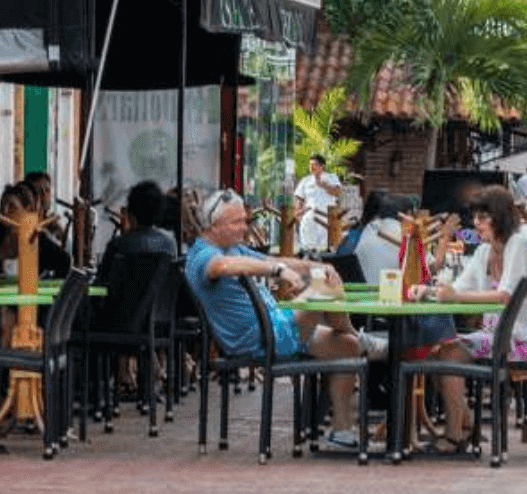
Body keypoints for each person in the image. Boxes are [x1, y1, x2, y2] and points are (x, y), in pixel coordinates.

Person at [185, 190, 365, 450]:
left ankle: (341, 432)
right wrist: (279, 272)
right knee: (326, 292)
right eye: (237, 222)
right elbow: (222, 267)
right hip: (259, 339)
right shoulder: (203, 255)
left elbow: (273, 259)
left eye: (245, 221)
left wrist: (317, 267)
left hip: (278, 329)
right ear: (213, 225)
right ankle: (364, 338)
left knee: (347, 346)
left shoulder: (232, 248)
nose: (244, 228)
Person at [408, 186, 527, 451]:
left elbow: (504, 296)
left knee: (449, 354)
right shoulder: (483, 252)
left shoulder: (519, 244)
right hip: (501, 337)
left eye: (483, 217)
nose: (476, 223)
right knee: (433, 354)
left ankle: (457, 434)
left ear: (500, 217)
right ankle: (464, 424)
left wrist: (453, 298)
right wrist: (428, 290)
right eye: (476, 217)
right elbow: (460, 288)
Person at [0, 182, 72, 280]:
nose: (4, 211)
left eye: (11, 207)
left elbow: (65, 262)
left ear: (28, 210)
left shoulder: (38, 240)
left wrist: (47, 287)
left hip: (30, 301)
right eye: (2, 206)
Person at [96, 180, 176, 284]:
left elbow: (99, 291)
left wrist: (86, 290)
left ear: (130, 212)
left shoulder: (117, 246)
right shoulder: (168, 246)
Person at [294, 154, 342, 253]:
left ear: (321, 166)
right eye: (310, 165)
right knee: (307, 248)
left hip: (326, 218)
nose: (311, 167)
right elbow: (299, 199)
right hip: (309, 218)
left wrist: (324, 184)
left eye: (314, 164)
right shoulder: (305, 180)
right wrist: (298, 213)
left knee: (325, 249)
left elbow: (337, 192)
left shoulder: (332, 177)